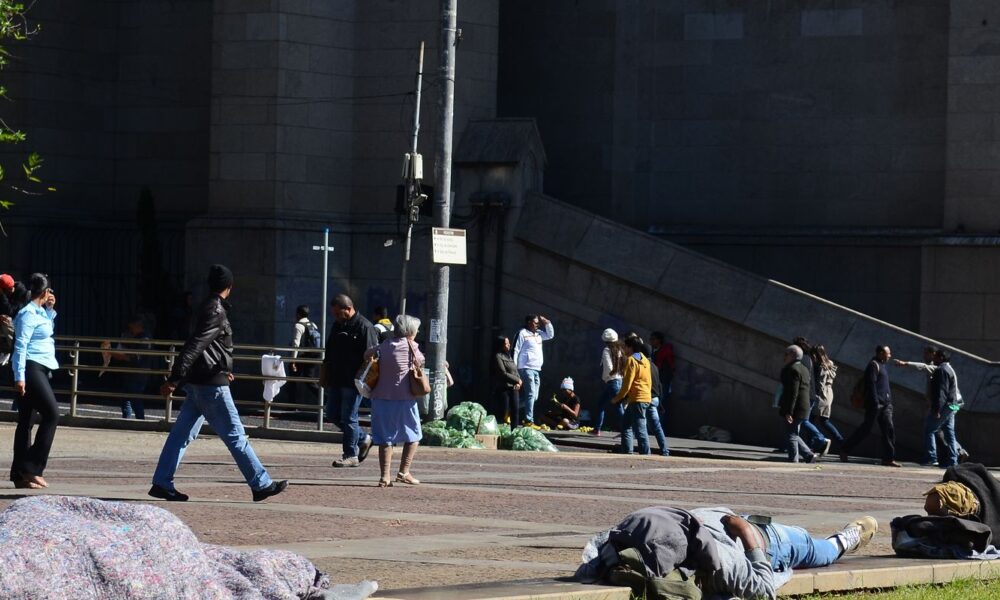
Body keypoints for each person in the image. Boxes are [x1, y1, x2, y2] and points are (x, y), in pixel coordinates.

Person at [149, 264, 287, 502]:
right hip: (210, 385)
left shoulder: (206, 307)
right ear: (229, 287)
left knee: (181, 435)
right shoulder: (216, 310)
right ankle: (261, 484)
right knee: (235, 435)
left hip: (201, 381)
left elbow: (209, 347)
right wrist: (175, 377)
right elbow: (197, 344)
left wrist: (220, 370)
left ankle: (162, 481)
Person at [578, 505, 877, 599]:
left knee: (816, 549)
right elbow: (762, 587)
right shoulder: (633, 531)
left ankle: (843, 540)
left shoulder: (717, 558)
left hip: (753, 533)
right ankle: (841, 541)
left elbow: (762, 590)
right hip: (748, 533)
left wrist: (744, 530)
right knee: (815, 549)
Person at [9, 274, 59, 489]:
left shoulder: (39, 312)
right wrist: (19, 376)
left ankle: (19, 474)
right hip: (31, 367)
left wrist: (49, 310)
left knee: (26, 420)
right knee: (51, 413)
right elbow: (20, 346)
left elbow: (47, 330)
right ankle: (32, 467)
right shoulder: (27, 314)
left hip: (42, 365)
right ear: (46, 291)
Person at [368, 314, 425, 487]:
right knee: (414, 435)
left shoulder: (383, 346)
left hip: (380, 398)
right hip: (404, 398)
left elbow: (367, 354)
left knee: (385, 438)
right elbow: (421, 361)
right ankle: (403, 472)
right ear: (411, 331)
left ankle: (384, 476)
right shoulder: (412, 347)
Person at [322, 293, 378, 467]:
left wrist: (363, 379)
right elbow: (330, 349)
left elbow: (372, 357)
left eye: (339, 313)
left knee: (349, 417)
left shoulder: (365, 327)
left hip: (353, 381)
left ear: (349, 308)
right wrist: (325, 372)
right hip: (336, 378)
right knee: (332, 414)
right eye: (335, 314)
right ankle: (364, 438)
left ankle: (350, 454)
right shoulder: (337, 325)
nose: (337, 317)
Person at [895, 346, 971, 465]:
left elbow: (941, 392)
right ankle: (953, 458)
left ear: (940, 357)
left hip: (947, 404)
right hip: (954, 404)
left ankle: (931, 457)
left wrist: (937, 409)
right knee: (949, 432)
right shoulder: (949, 368)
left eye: (934, 356)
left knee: (930, 429)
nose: (932, 358)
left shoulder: (941, 369)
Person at [840, 345, 901, 467]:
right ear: (880, 353)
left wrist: (888, 401)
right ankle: (845, 450)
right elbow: (871, 384)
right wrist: (875, 401)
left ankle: (888, 458)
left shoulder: (882, 365)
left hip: (887, 404)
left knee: (889, 430)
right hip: (876, 404)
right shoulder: (873, 365)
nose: (890, 355)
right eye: (888, 353)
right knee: (865, 429)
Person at [792, 337, 831, 457]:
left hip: (806, 395)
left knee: (802, 422)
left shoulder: (802, 359)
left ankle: (820, 439)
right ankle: (804, 450)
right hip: (810, 395)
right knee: (801, 423)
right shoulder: (809, 358)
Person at [612, 334, 651, 455]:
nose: (624, 350)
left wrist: (617, 398)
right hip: (643, 396)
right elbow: (648, 380)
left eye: (625, 347)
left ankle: (646, 453)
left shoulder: (631, 360)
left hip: (637, 398)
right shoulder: (645, 359)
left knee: (640, 429)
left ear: (630, 348)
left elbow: (627, 383)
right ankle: (627, 450)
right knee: (626, 425)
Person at [512, 314, 554, 424]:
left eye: (538, 323)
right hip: (525, 367)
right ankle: (528, 420)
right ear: (529, 322)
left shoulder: (539, 334)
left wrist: (547, 322)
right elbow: (515, 350)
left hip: (536, 368)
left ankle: (512, 407)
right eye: (536, 323)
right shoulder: (522, 333)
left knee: (534, 397)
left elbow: (550, 335)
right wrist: (514, 369)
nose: (538, 325)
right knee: (530, 394)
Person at [107, 314, 152, 419]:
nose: (130, 329)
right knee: (130, 399)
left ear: (137, 325)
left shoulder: (143, 339)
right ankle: (134, 420)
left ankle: (135, 420)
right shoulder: (141, 337)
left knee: (132, 399)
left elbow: (133, 358)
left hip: (136, 373)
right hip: (136, 373)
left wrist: (114, 354)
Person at [779, 345, 815, 464]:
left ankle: (793, 460)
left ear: (792, 355)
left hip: (796, 407)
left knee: (791, 435)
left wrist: (789, 411)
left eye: (786, 354)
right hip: (804, 406)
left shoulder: (792, 369)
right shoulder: (804, 369)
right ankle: (808, 455)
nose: (784, 356)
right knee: (793, 433)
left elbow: (792, 392)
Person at [808, 344, 844, 450]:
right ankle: (840, 441)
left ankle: (817, 443)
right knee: (823, 421)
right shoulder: (830, 364)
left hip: (820, 395)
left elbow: (818, 383)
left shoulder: (818, 366)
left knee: (810, 421)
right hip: (829, 394)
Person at [594, 328, 625, 436]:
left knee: (616, 407)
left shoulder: (607, 350)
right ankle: (597, 428)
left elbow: (608, 367)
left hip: (612, 382)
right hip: (619, 380)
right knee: (603, 404)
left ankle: (627, 430)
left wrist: (608, 376)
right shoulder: (620, 349)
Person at [289, 304, 321, 405]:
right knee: (309, 381)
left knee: (292, 379)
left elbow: (296, 344)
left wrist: (292, 361)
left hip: (303, 356)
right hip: (314, 355)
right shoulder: (313, 324)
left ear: (298, 314)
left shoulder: (298, 325)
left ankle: (292, 405)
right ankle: (325, 399)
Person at [644, 342, 670, 457]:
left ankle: (645, 450)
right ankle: (665, 450)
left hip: (647, 397)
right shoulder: (654, 366)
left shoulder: (644, 366)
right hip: (655, 398)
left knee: (641, 425)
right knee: (657, 427)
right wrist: (661, 402)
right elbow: (659, 385)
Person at [489, 335, 521, 425]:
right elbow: (503, 373)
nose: (508, 345)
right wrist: (517, 380)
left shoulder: (509, 356)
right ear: (501, 345)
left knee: (515, 411)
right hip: (504, 388)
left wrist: (518, 382)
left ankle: (513, 432)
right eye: (506, 343)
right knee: (504, 412)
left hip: (514, 388)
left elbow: (515, 370)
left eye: (508, 343)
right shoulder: (497, 356)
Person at [648, 330, 675, 401]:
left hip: (663, 379)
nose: (651, 341)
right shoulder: (653, 351)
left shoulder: (664, 351)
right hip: (657, 379)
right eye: (650, 339)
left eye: (653, 339)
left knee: (663, 399)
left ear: (659, 340)